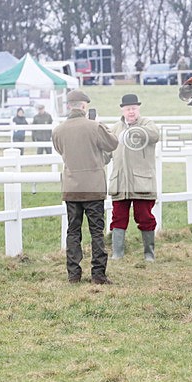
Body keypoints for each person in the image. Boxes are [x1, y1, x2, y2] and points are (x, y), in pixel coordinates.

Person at [52, 89, 119, 285]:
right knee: (96, 231)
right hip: (93, 187)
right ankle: (98, 274)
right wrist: (98, 123)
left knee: (73, 231)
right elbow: (112, 143)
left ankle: (73, 274)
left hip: (72, 187)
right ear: (84, 106)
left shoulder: (58, 130)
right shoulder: (94, 126)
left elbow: (60, 150)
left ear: (68, 106)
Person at [108, 94, 160, 262]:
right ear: (122, 110)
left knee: (145, 217)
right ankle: (117, 253)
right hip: (120, 182)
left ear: (138, 109)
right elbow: (107, 151)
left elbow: (154, 135)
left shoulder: (147, 124)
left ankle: (149, 254)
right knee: (118, 217)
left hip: (141, 182)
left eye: (134, 108)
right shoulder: (115, 128)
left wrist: (134, 130)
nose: (131, 112)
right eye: (128, 109)